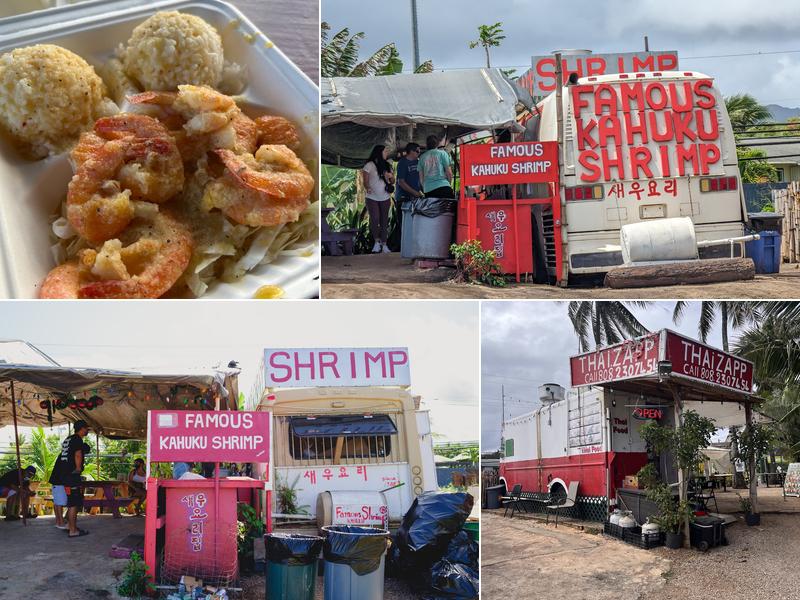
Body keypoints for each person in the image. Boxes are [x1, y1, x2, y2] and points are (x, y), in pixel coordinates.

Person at [50, 420, 90, 537]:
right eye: (87, 428)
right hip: (71, 475)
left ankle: (70, 526)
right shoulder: (77, 439)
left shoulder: (69, 439)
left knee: (72, 502)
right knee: (74, 503)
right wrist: (78, 468)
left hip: (65, 475)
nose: (87, 430)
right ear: (82, 428)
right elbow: (77, 454)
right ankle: (73, 531)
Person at [390, 142, 423, 251]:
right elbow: (401, 182)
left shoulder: (418, 162)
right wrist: (414, 192)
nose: (419, 153)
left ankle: (412, 246)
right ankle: (401, 247)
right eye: (417, 151)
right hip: (404, 198)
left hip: (416, 197)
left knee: (415, 223)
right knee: (403, 223)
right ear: (412, 151)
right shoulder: (403, 163)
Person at [362, 144, 395, 253]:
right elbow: (365, 181)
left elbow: (392, 181)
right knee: (375, 218)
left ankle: (385, 244)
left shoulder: (388, 164)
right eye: (385, 152)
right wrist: (368, 188)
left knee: (384, 220)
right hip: (372, 197)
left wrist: (390, 177)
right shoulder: (369, 165)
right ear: (379, 152)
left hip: (385, 196)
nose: (386, 154)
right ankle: (377, 242)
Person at [418, 135, 454, 199]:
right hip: (444, 187)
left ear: (427, 145)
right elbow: (449, 173)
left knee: (433, 209)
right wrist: (448, 184)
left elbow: (421, 178)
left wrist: (426, 188)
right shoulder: (443, 153)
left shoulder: (421, 157)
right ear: (437, 144)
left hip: (429, 190)